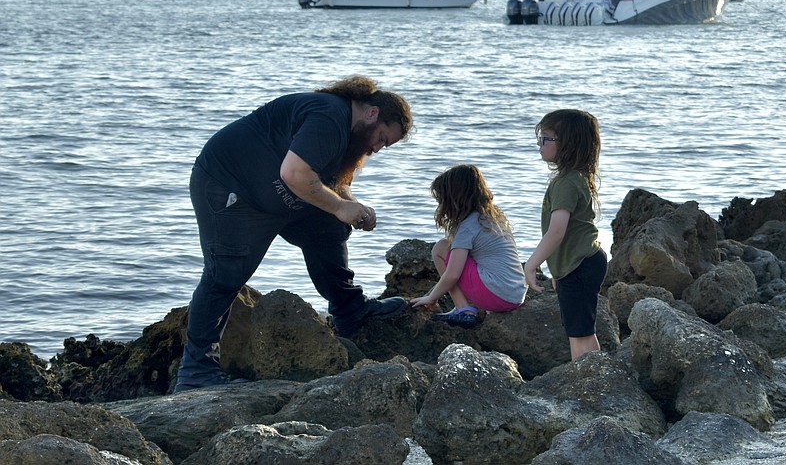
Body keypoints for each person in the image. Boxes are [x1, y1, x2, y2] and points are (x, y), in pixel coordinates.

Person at [174, 75, 414, 392]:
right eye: (382, 138)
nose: (377, 148)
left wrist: (352, 206)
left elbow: (328, 182)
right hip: (230, 187)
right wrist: (340, 207)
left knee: (329, 226)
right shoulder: (329, 115)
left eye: (385, 145)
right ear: (372, 113)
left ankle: (350, 312)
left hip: (280, 197)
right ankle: (195, 372)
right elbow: (295, 173)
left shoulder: (349, 133)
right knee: (226, 273)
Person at [524, 110, 607, 361]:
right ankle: (590, 378)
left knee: (579, 334)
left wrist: (531, 264)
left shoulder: (566, 183)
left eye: (546, 139)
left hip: (580, 265)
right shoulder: (576, 178)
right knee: (581, 331)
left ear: (567, 144)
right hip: (581, 263)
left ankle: (589, 381)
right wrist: (560, 271)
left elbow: (557, 231)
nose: (540, 144)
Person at [410, 165, 527, 328]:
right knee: (457, 251)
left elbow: (452, 274)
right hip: (516, 295)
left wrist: (431, 298)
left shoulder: (467, 226)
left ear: (454, 199)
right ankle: (469, 306)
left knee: (441, 249)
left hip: (497, 296)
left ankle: (464, 310)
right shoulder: (495, 218)